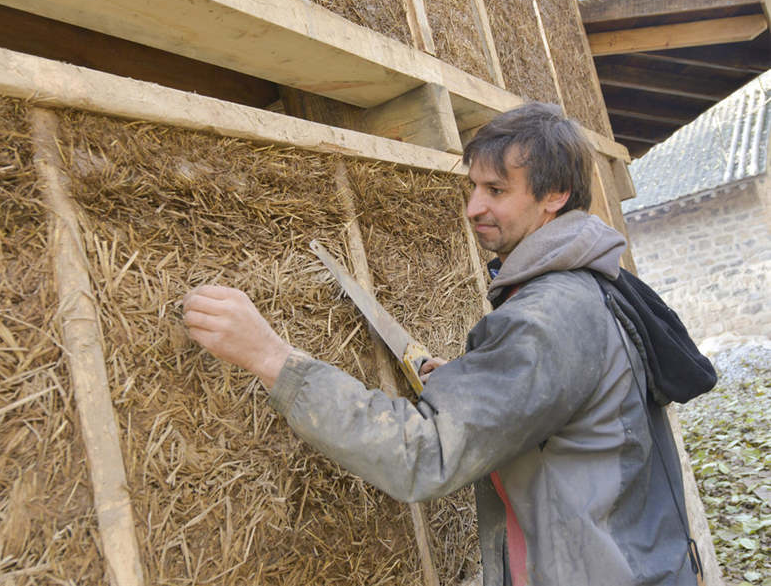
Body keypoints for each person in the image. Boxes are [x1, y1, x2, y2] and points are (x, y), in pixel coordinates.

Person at [182, 102, 695, 585]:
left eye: (496, 190)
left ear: (554, 195)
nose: (473, 207)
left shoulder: (549, 317)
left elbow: (423, 454)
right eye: (473, 187)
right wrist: (482, 383)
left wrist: (272, 359)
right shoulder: (595, 284)